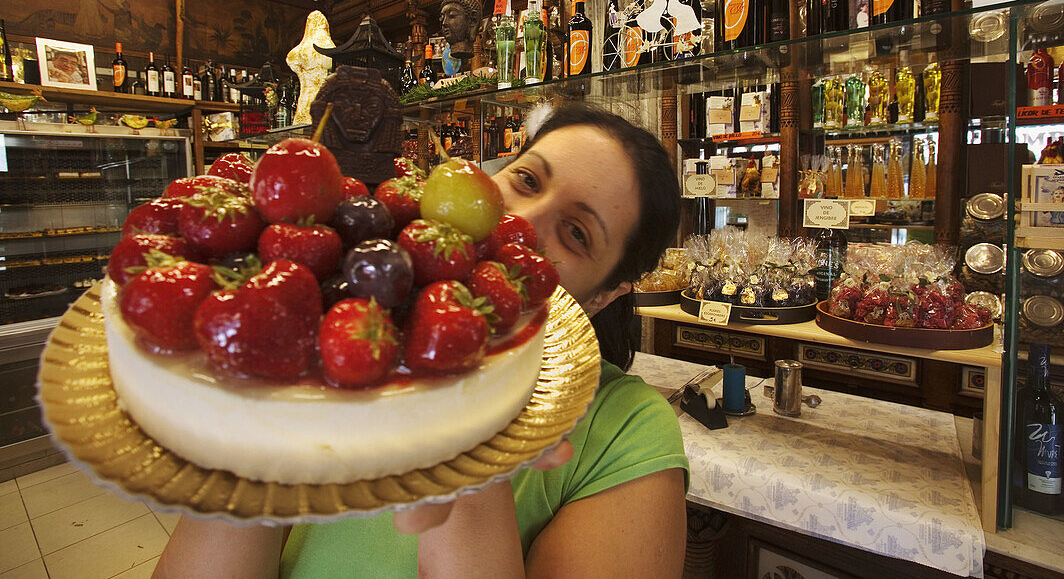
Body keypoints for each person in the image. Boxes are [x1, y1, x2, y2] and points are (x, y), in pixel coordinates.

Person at [155, 103, 688, 578]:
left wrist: (470, 443)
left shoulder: (629, 431)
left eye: (576, 233)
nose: (520, 219)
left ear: (604, 296)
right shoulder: (353, 343)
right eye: (526, 180)